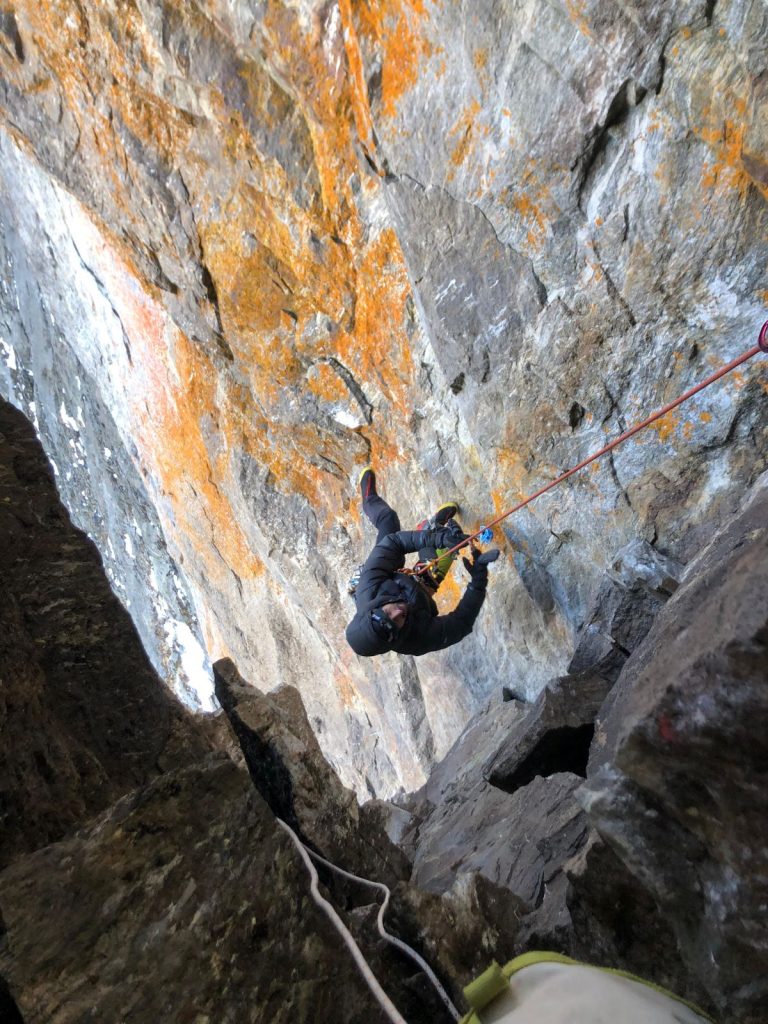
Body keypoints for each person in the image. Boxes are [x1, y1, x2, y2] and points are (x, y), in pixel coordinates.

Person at [345, 467, 500, 657]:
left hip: (382, 579)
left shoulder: (368, 588)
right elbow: (461, 622)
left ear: (374, 608)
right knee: (434, 566)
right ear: (395, 638)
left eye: (387, 613)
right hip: (416, 594)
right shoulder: (416, 640)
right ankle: (431, 527)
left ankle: (369, 497)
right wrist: (478, 581)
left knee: (388, 520)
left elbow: (393, 543)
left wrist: (439, 539)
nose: (398, 613)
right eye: (396, 623)